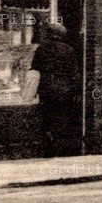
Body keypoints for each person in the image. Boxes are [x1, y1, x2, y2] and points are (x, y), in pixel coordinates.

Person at [29, 20, 81, 157]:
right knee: (61, 116)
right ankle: (59, 143)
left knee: (46, 116)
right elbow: (74, 73)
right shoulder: (68, 50)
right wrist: (76, 90)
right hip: (64, 89)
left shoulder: (42, 48)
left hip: (46, 88)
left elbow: (35, 68)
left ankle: (48, 143)